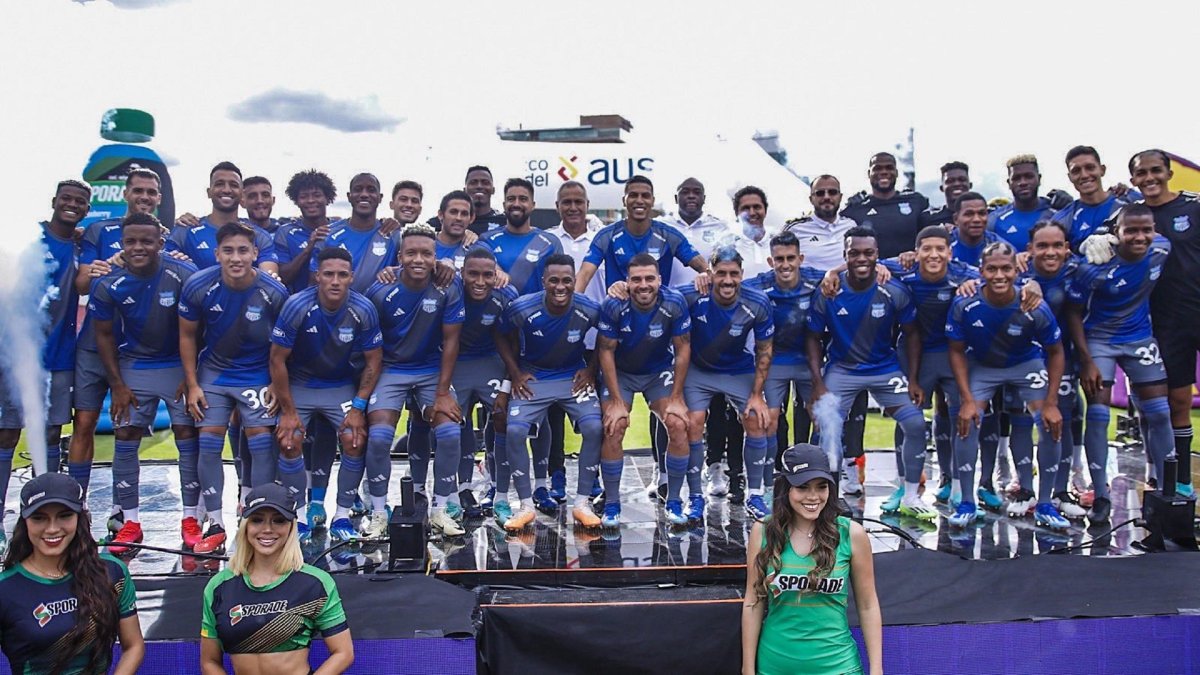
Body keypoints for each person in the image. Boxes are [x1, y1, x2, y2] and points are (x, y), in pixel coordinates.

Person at [88, 212, 201, 553]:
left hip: (177, 367)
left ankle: (190, 518)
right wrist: (118, 384)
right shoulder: (108, 282)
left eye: (146, 241)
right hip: (135, 365)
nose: (138, 247)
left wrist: (190, 374)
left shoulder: (183, 274)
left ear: (160, 243)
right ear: (122, 244)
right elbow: (104, 336)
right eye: (131, 241)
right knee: (125, 434)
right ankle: (131, 522)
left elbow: (201, 328)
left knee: (186, 434)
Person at [805, 227, 931, 520]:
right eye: (854, 253)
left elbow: (912, 334)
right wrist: (818, 382)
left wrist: (912, 378)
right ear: (844, 256)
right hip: (842, 369)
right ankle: (828, 497)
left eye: (868, 253)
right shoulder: (829, 290)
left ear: (877, 255)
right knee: (827, 424)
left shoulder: (894, 289)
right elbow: (812, 337)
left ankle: (911, 495)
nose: (861, 258)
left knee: (915, 423)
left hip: (885, 369)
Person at [179, 222, 289, 553]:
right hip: (214, 374)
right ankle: (215, 522)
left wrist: (274, 382)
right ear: (217, 254)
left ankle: (258, 513)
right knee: (209, 442)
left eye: (243, 250)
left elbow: (285, 345)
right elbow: (186, 336)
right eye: (228, 251)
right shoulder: (198, 285)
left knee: (259, 441)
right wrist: (193, 383)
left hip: (257, 374)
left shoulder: (274, 291)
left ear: (255, 253)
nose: (236, 257)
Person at [947, 241, 1067, 529]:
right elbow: (955, 350)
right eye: (992, 269)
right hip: (984, 366)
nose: (999, 275)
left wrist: (1051, 403)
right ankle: (966, 502)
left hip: (1025, 364)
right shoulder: (965, 303)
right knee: (967, 419)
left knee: (1051, 423)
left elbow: (1056, 351)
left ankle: (1046, 504)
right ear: (981, 271)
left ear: (1017, 271)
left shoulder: (1034, 304)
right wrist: (965, 398)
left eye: (1006, 269)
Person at [1066, 205, 1176, 522]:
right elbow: (1073, 311)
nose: (1140, 237)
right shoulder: (1094, 266)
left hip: (1140, 339)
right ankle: (1101, 496)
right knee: (1099, 416)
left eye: (1147, 230)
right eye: (1132, 231)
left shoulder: (1161, 248)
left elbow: (1131, 206)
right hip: (1099, 342)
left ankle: (1165, 489)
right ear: (1118, 232)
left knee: (1159, 412)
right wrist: (1085, 359)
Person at [69, 168, 164, 523]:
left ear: (158, 198)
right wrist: (107, 265)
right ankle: (76, 505)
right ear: (126, 193)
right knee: (86, 422)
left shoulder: (165, 236)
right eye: (138, 190)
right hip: (95, 342)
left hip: (138, 350)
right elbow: (80, 284)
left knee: (128, 429)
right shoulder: (99, 231)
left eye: (151, 192)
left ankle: (122, 510)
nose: (144, 196)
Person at [270, 246, 384, 541]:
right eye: (329, 274)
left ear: (351, 278)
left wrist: (358, 407)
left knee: (354, 439)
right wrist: (289, 412)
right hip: (302, 385)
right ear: (317, 276)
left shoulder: (363, 308)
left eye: (342, 275)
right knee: (289, 440)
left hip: (339, 386)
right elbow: (277, 359)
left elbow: (374, 361)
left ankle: (342, 516)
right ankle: (301, 514)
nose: (335, 281)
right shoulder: (297, 305)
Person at [0, 180, 88, 555]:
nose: (71, 206)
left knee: (52, 433)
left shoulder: (81, 245)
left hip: (59, 357)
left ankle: (49, 514)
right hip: (16, 356)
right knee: (6, 434)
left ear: (86, 209)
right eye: (66, 199)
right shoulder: (28, 240)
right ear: (54, 202)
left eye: (79, 202)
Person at [742, 444, 881, 675]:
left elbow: (868, 605)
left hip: (838, 667)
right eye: (803, 487)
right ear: (786, 488)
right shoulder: (763, 531)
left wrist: (877, 669)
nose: (813, 496)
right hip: (775, 665)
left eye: (821, 487)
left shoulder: (851, 534)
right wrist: (747, 669)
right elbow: (753, 602)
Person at [363, 223, 465, 537]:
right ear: (399, 256)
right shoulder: (380, 289)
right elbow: (370, 346)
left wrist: (443, 391)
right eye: (411, 253)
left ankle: (439, 509)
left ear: (437, 256)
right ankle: (378, 513)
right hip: (391, 369)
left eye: (426, 253)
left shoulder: (449, 286)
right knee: (379, 439)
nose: (418, 259)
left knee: (449, 434)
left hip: (431, 369)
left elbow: (451, 341)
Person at [496, 253, 603, 530]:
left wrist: (591, 369)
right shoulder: (522, 308)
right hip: (536, 376)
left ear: (574, 281)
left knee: (593, 428)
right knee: (515, 431)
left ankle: (582, 503)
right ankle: (525, 506)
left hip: (572, 377)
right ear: (543, 281)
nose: (560, 287)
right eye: (553, 280)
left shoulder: (588, 308)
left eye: (567, 280)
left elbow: (607, 335)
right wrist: (516, 371)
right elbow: (501, 334)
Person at [201, 484, 353, 675]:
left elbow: (343, 653)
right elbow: (210, 661)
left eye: (278, 521)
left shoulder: (316, 583)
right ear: (245, 526)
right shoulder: (219, 587)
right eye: (257, 520)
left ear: (292, 526)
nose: (267, 529)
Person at [0, 473, 143, 675]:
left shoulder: (112, 572)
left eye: (64, 515)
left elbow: (134, 646)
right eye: (39, 518)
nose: (52, 529)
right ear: (24, 522)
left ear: (80, 518)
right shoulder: (5, 589)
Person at [880, 226, 980, 504]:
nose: (934, 255)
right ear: (917, 251)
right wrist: (831, 273)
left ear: (950, 251)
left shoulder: (965, 274)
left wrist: (1028, 284)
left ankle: (960, 489)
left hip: (954, 354)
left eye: (940, 249)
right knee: (908, 420)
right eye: (927, 249)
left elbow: (1003, 279)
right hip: (915, 354)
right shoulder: (903, 268)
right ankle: (904, 487)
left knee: (963, 419)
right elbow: (862, 262)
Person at [596, 253, 692, 526]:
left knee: (677, 423)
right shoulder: (614, 304)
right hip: (622, 374)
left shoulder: (673, 302)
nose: (643, 285)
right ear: (627, 281)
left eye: (650, 278)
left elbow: (683, 348)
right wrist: (615, 400)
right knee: (614, 425)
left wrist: (676, 397)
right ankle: (612, 503)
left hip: (656, 373)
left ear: (660, 279)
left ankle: (673, 500)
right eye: (636, 279)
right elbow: (605, 351)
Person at [680, 246, 774, 521]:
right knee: (694, 421)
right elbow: (659, 298)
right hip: (699, 370)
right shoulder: (693, 294)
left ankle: (754, 495)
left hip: (737, 369)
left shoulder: (757, 302)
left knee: (757, 418)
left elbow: (765, 350)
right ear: (710, 273)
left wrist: (757, 395)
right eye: (721, 273)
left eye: (734, 274)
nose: (728, 280)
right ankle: (696, 496)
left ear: (742, 275)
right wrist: (621, 287)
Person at [542, 181, 607, 510]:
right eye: (566, 202)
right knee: (553, 410)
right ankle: (556, 474)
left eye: (578, 201)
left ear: (586, 204)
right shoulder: (550, 240)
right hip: (555, 339)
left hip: (594, 339)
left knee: (591, 413)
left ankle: (591, 475)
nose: (572, 207)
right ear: (557, 206)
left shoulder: (601, 238)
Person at [452, 249, 522, 516]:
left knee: (504, 417)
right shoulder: (450, 291)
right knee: (453, 421)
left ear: (496, 275)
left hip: (491, 360)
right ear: (462, 274)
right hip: (456, 363)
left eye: (487, 275)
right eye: (473, 274)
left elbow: (515, 346)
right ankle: (460, 491)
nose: (480, 281)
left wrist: (507, 385)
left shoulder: (507, 296)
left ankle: (501, 494)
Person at [577, 175, 711, 291]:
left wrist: (705, 276)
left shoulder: (669, 235)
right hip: (618, 312)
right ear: (624, 201)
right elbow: (583, 276)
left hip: (658, 314)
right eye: (633, 195)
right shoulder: (606, 236)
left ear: (652, 201)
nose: (639, 200)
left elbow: (705, 269)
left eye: (645, 196)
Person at [166, 161, 279, 274]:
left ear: (242, 194)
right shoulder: (185, 229)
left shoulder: (260, 236)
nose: (226, 190)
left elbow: (269, 282)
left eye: (233, 185)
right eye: (219, 184)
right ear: (209, 192)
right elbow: (163, 269)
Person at [310, 173, 401, 294]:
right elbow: (313, 281)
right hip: (338, 309)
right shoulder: (327, 234)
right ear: (349, 196)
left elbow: (406, 272)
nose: (364, 194)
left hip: (379, 309)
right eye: (358, 190)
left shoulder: (393, 234)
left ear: (380, 197)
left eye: (371, 190)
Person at [475, 178, 564, 295]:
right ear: (504, 204)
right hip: (495, 312)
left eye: (523, 199)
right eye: (511, 199)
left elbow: (560, 284)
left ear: (533, 205)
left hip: (535, 312)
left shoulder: (551, 243)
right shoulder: (486, 240)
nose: (516, 204)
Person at [840, 152, 931, 259]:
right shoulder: (854, 209)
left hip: (911, 271)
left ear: (896, 172)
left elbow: (931, 237)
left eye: (889, 168)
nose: (884, 172)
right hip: (872, 273)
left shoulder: (916, 201)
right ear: (869, 173)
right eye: (877, 168)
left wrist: (916, 254)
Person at [1051, 146, 1137, 249]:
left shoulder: (1130, 199)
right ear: (1070, 177)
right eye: (1076, 171)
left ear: (1102, 170)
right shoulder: (1062, 220)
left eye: (1090, 167)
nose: (1084, 175)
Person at [660, 177, 731, 285]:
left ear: (704, 198)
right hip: (669, 296)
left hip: (707, 296)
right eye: (685, 192)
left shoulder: (720, 227)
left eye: (697, 192)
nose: (691, 196)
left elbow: (726, 263)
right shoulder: (662, 226)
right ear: (676, 198)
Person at [275, 169, 335, 293]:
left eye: (317, 195)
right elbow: (283, 278)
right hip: (297, 305)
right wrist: (308, 249)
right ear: (296, 201)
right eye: (304, 196)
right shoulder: (285, 232)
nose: (310, 200)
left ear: (328, 199)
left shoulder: (339, 230)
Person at [784, 175, 856, 272]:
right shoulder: (794, 229)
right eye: (820, 193)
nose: (826, 197)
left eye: (832, 192)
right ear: (811, 199)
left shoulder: (851, 225)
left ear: (840, 197)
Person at [988, 155, 1056, 252]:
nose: (1023, 182)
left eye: (1029, 177)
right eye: (1016, 178)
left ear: (1039, 179)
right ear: (1009, 183)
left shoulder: (1057, 215)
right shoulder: (994, 219)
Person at [431, 166, 507, 234]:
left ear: (493, 190)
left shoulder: (504, 221)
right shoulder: (441, 222)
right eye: (473, 183)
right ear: (465, 190)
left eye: (485, 183)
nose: (479, 186)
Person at [922, 161, 974, 227]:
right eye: (950, 181)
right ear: (942, 188)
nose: (957, 184)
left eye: (962, 179)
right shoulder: (928, 219)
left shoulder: (986, 216)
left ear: (970, 185)